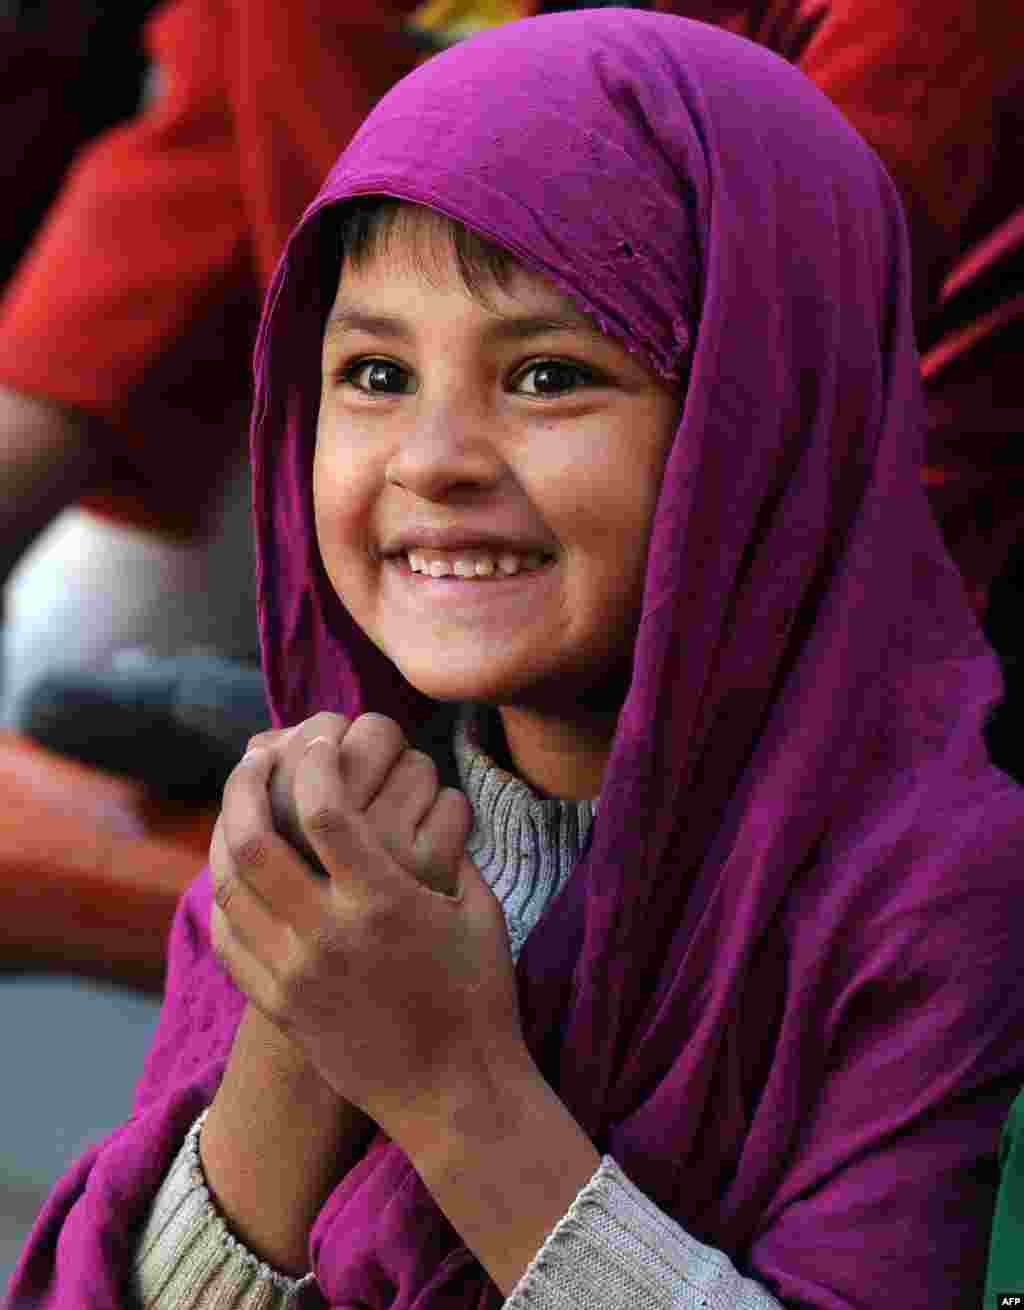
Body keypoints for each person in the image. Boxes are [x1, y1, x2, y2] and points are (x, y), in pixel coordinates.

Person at [6, 12, 1024, 1309]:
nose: (434, 457)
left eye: (546, 375)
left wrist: (454, 1090)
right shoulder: (323, 826)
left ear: (760, 413)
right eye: (373, 371)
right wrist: (297, 1040)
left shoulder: (922, 897)